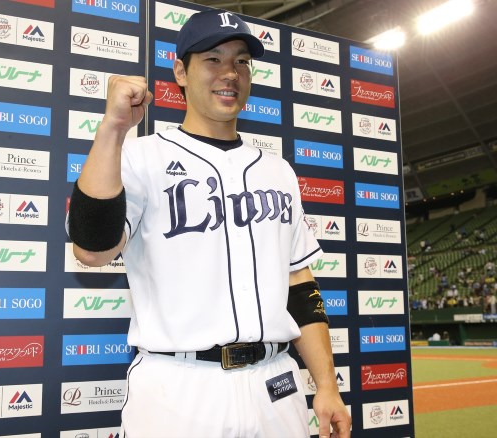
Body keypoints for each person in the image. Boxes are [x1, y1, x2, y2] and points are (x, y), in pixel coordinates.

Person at [67, 8, 351, 438]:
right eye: (213, 59)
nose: (230, 73)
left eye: (241, 61)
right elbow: (91, 250)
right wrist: (113, 129)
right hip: (178, 386)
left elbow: (299, 285)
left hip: (275, 383)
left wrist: (326, 385)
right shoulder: (140, 157)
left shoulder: (278, 172)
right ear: (181, 72)